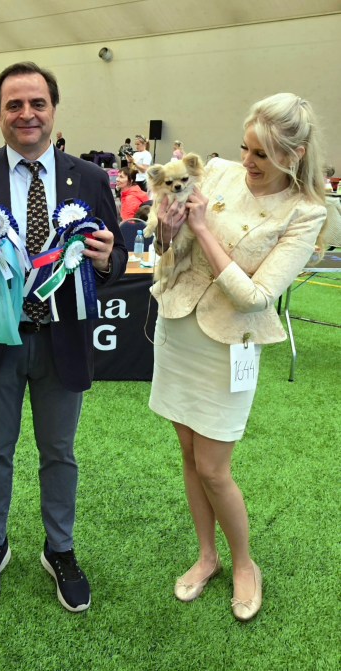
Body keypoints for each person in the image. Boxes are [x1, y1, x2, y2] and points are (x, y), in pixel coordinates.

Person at [0, 61, 126, 613]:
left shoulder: (89, 179)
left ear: (53, 110)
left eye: (37, 103)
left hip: (64, 342)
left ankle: (59, 549)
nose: (27, 114)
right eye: (14, 105)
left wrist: (107, 260)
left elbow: (114, 259)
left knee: (59, 453)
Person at [148, 92, 327, 622]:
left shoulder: (306, 212)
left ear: (294, 155)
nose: (247, 161)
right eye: (245, 148)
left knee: (214, 467)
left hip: (230, 344)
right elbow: (166, 246)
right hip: (177, 325)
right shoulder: (218, 172)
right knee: (188, 453)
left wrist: (203, 229)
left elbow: (256, 297)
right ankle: (207, 556)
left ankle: (245, 564)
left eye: (261, 154)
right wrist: (166, 229)